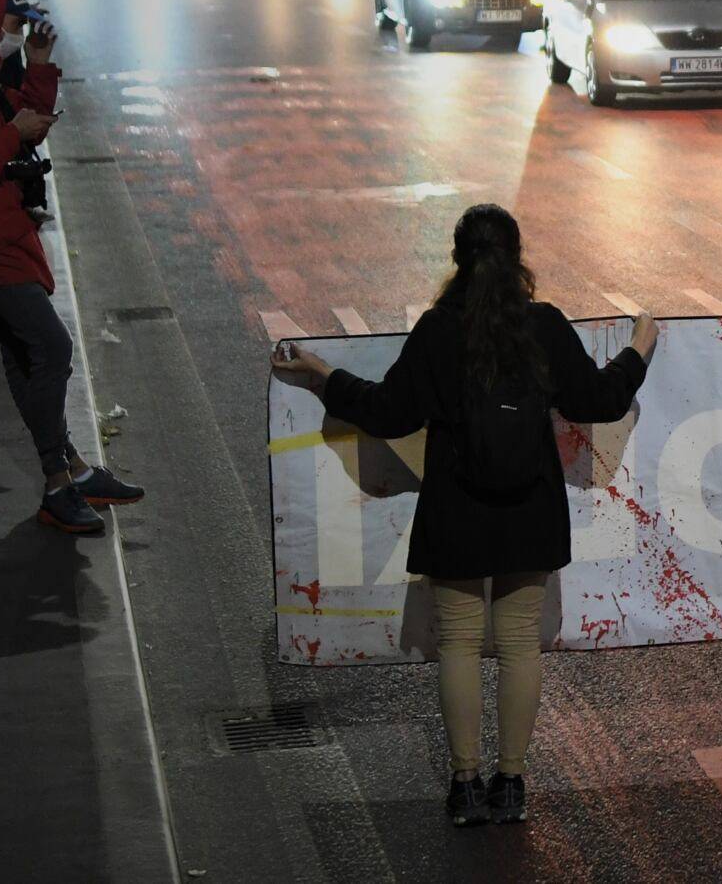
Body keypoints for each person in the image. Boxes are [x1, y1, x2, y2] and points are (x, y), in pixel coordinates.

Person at [276, 205, 653, 829]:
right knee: (517, 644)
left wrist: (323, 379)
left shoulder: (438, 331)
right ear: (518, 258)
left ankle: (464, 784)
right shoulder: (544, 326)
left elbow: (389, 411)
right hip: (529, 510)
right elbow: (602, 400)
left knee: (457, 642)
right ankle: (511, 783)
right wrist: (640, 345)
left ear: (456, 259)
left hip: (456, 510)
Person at [0, 0, 145, 534]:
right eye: (17, 26)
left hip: (1, 226)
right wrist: (11, 135)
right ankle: (56, 482)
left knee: (27, 356)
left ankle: (72, 468)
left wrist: (39, 66)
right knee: (49, 344)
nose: (20, 34)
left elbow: (20, 127)